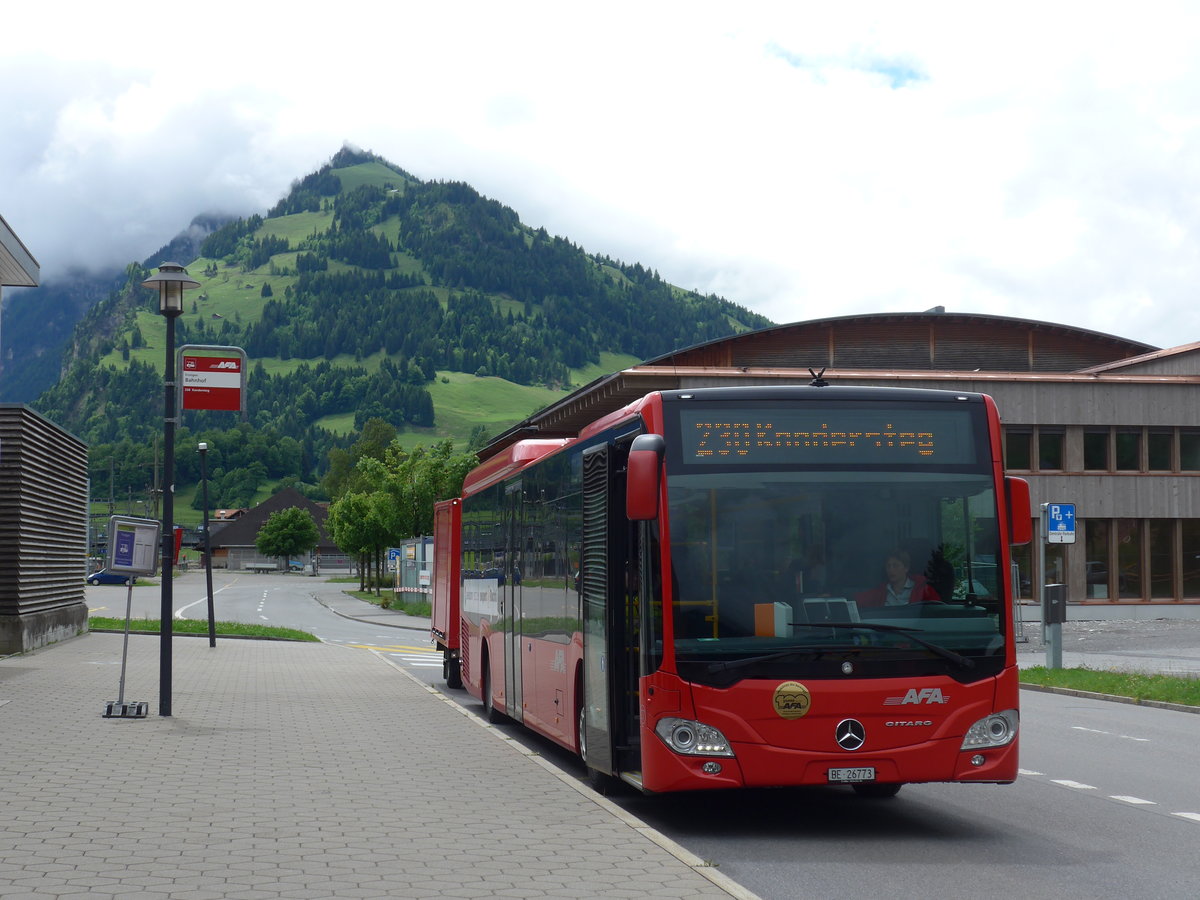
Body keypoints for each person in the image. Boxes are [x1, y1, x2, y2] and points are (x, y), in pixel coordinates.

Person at [855, 549, 940, 608]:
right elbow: (856, 602)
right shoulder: (880, 591)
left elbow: (937, 612)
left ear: (906, 568)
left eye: (895, 565)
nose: (890, 569)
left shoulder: (923, 590)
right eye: (888, 566)